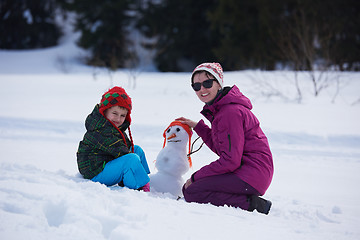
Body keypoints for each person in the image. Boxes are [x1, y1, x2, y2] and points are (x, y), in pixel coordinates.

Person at [177, 62, 273, 214]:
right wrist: (199, 127)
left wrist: (196, 176)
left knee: (192, 191)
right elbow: (222, 149)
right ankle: (243, 196)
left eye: (207, 83)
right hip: (253, 173)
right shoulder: (223, 109)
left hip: (252, 174)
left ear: (219, 84)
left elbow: (229, 160)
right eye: (196, 86)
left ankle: (253, 204)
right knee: (194, 187)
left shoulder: (229, 113)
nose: (202, 89)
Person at [77, 86, 150, 191]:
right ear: (104, 111)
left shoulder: (114, 128)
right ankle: (138, 187)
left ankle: (145, 181)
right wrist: (133, 159)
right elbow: (120, 150)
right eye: (115, 113)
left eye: (122, 115)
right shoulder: (100, 130)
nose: (118, 119)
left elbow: (126, 147)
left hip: (107, 164)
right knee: (131, 159)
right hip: (95, 172)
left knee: (136, 149)